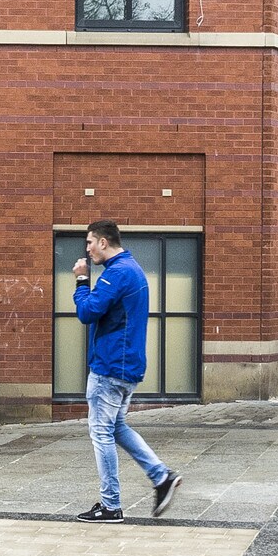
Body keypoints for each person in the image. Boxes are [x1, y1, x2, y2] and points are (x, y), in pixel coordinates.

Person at [72, 219, 182, 523]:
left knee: (101, 432)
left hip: (110, 367)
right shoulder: (132, 269)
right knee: (117, 426)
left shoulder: (117, 273)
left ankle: (110, 505)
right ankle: (162, 477)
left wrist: (82, 281)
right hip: (127, 365)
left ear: (104, 242)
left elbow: (88, 311)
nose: (88, 249)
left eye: (90, 242)